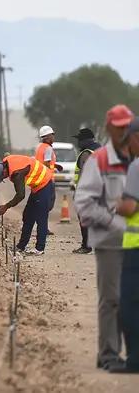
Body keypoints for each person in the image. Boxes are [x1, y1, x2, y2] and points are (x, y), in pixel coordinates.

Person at [76, 104, 134, 372]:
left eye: (127, 126)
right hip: (110, 241)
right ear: (110, 128)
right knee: (111, 299)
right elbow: (84, 204)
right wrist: (114, 221)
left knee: (132, 299)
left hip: (134, 242)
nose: (124, 131)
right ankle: (108, 353)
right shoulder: (98, 160)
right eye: (119, 126)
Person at [0, 153, 55, 255]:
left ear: (4, 170)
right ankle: (21, 246)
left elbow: (20, 195)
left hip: (45, 183)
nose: (4, 178)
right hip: (37, 187)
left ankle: (39, 248)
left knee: (41, 218)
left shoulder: (17, 173)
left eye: (3, 177)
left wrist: (6, 206)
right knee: (28, 216)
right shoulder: (7, 161)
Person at [115, 117, 139, 373]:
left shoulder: (136, 167)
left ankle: (134, 360)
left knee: (129, 305)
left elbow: (130, 206)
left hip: (136, 248)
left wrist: (116, 205)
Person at [72, 127, 101, 254]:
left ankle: (86, 246)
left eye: (80, 140)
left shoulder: (86, 154)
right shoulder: (100, 149)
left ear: (85, 141)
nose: (78, 143)